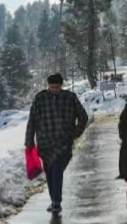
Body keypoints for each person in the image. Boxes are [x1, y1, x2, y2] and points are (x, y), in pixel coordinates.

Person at [25, 73, 88, 214]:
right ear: (48, 86)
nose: (54, 89)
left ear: (61, 86)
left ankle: (56, 202)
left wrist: (75, 133)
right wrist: (29, 142)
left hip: (63, 142)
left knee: (57, 169)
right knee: (50, 173)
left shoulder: (70, 98)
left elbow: (83, 117)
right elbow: (32, 121)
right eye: (52, 87)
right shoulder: (40, 98)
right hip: (44, 143)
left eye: (57, 87)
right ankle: (54, 199)